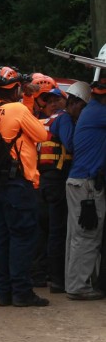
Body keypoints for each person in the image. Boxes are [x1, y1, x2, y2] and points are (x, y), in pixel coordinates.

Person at [0, 66, 49, 307]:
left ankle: (4, 293)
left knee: (0, 236)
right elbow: (41, 134)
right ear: (15, 88)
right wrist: (27, 100)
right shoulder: (17, 109)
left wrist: (27, 97)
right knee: (22, 236)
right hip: (16, 183)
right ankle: (22, 292)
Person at [38, 81, 91, 294]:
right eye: (50, 100)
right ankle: (58, 280)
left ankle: (44, 274)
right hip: (57, 180)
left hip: (45, 180)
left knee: (47, 230)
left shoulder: (48, 119)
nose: (54, 103)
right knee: (59, 231)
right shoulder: (64, 119)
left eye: (56, 99)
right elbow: (71, 144)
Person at [65, 78, 106, 300]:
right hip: (87, 185)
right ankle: (78, 287)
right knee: (87, 235)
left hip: (79, 183)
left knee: (77, 236)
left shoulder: (91, 111)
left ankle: (74, 282)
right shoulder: (99, 112)